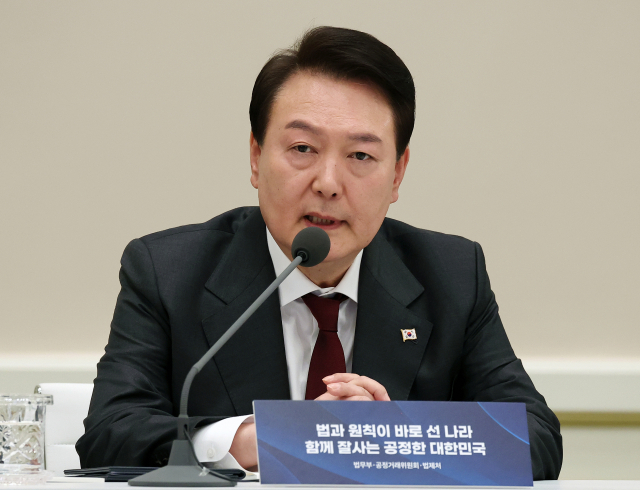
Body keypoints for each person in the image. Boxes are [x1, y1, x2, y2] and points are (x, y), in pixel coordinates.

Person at [77, 26, 562, 480]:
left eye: (360, 156)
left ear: (397, 175)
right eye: (303, 148)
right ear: (255, 156)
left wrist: (395, 437)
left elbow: (535, 438)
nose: (328, 183)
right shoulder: (168, 272)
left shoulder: (451, 276)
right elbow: (110, 433)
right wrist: (262, 439)